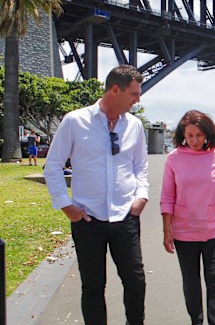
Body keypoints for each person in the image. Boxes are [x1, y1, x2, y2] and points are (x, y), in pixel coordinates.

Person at [44, 65, 148, 325]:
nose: (138, 99)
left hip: (125, 216)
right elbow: (53, 165)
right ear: (115, 90)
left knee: (135, 281)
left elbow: (140, 167)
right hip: (88, 219)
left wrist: (141, 196)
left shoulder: (134, 126)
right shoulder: (75, 121)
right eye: (134, 94)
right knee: (92, 286)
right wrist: (65, 205)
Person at [160, 110, 215, 325]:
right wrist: (167, 230)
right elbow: (167, 196)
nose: (194, 140)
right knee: (191, 282)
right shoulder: (174, 158)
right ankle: (196, 320)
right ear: (183, 134)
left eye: (199, 135)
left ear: (208, 134)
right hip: (184, 232)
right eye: (190, 135)